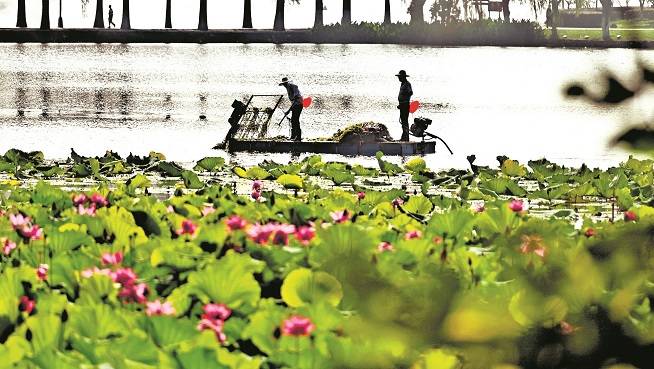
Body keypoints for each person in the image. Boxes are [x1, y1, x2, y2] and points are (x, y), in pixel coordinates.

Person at [279, 77, 303, 141]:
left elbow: (296, 98)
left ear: (288, 83)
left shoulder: (293, 86)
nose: (285, 85)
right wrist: (290, 110)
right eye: (284, 84)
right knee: (293, 120)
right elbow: (293, 101)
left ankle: (298, 137)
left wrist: (289, 110)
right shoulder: (288, 88)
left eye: (285, 84)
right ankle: (293, 136)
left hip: (298, 105)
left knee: (295, 120)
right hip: (295, 105)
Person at [396, 70, 413, 141]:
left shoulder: (407, 84)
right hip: (403, 104)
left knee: (405, 121)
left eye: (400, 77)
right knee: (403, 121)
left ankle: (406, 137)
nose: (399, 78)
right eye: (399, 77)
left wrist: (404, 102)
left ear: (403, 77)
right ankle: (404, 137)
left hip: (405, 105)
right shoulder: (403, 84)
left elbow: (410, 93)